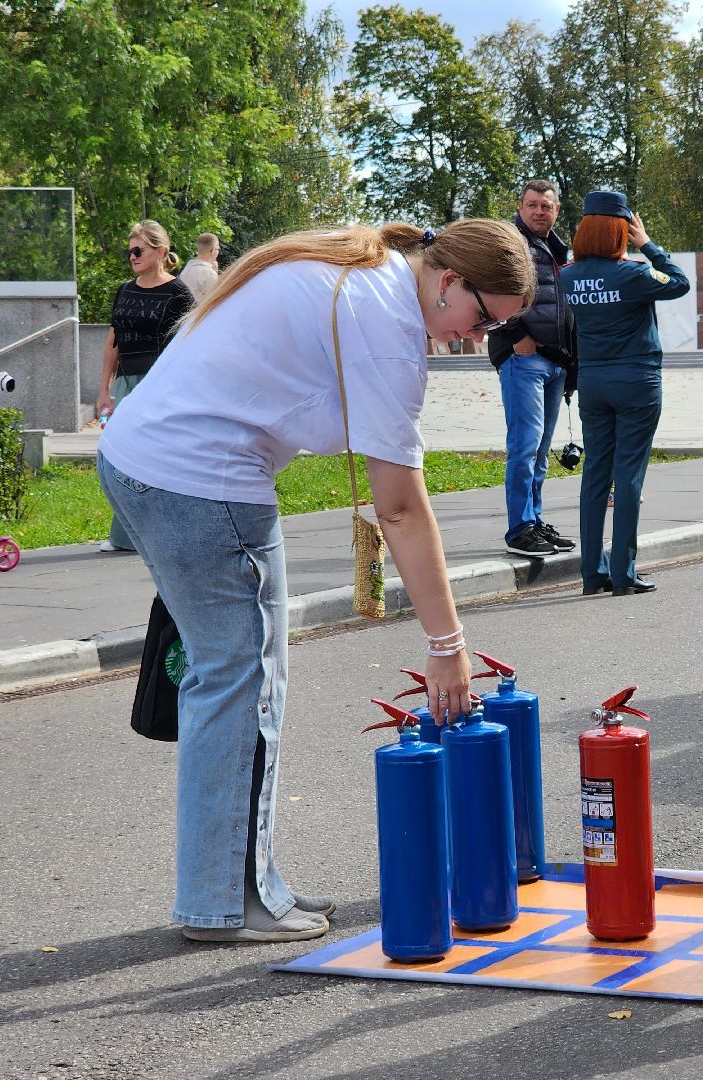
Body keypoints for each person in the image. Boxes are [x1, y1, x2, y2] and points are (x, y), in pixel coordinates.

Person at [96, 220, 535, 942]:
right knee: (243, 688)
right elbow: (399, 507)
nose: (473, 338)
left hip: (147, 461)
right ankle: (227, 902)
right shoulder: (390, 323)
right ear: (449, 281)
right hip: (202, 482)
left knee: (232, 678)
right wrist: (446, 643)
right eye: (483, 319)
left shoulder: (362, 266)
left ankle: (245, 888)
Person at [560, 191, 689, 596]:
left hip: (593, 383)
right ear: (621, 230)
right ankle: (624, 572)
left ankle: (591, 573)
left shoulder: (568, 276)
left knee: (595, 474)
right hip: (636, 381)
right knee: (628, 475)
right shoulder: (633, 274)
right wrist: (647, 243)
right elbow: (680, 283)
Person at [488, 180, 577, 558]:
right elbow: (488, 291)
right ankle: (519, 529)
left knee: (540, 450)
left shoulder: (558, 248)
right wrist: (516, 334)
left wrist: (572, 365)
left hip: (556, 360)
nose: (540, 211)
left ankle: (534, 521)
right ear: (521, 207)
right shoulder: (511, 243)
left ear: (557, 211)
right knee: (524, 446)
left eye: (547, 206)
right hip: (524, 357)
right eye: (533, 205)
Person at [95, 220, 196, 553]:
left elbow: (189, 341)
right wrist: (104, 391)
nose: (132, 256)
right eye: (130, 251)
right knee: (120, 456)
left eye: (138, 250)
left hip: (160, 384)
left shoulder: (178, 293)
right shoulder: (124, 290)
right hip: (126, 383)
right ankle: (125, 537)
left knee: (158, 455)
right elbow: (114, 341)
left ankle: (167, 530)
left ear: (160, 251)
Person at [179, 232, 221, 303]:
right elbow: (215, 301)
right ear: (213, 250)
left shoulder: (187, 268)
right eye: (218, 249)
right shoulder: (209, 274)